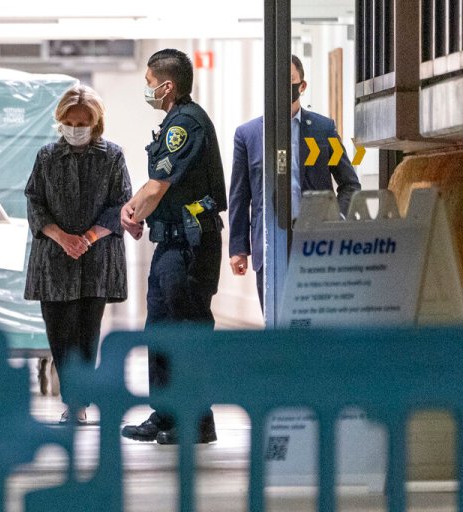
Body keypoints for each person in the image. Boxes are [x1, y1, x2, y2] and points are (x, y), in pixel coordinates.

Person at [120, 49, 227, 445]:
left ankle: (198, 420)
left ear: (167, 85)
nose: (146, 90)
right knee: (161, 330)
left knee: (187, 331)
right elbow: (156, 188)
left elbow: (158, 185)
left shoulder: (186, 124)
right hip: (170, 244)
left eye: (149, 83)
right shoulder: (172, 123)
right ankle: (165, 413)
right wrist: (136, 212)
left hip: (191, 247)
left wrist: (130, 213)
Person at [24, 85, 132, 424]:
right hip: (54, 260)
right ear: (60, 121)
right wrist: (60, 237)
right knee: (59, 333)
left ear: (96, 122)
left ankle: (79, 404)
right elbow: (34, 201)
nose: (75, 127)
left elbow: (122, 204)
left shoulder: (112, 156)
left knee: (87, 333)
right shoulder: (46, 156)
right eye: (69, 121)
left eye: (83, 121)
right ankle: (75, 399)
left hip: (96, 260)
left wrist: (86, 237)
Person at [228, 55, 361, 309]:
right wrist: (238, 247)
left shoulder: (323, 130)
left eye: (289, 80)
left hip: (317, 242)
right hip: (269, 244)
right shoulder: (248, 135)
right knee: (275, 324)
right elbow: (239, 196)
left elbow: (349, 183)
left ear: (302, 86)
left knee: (315, 321)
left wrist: (338, 219)